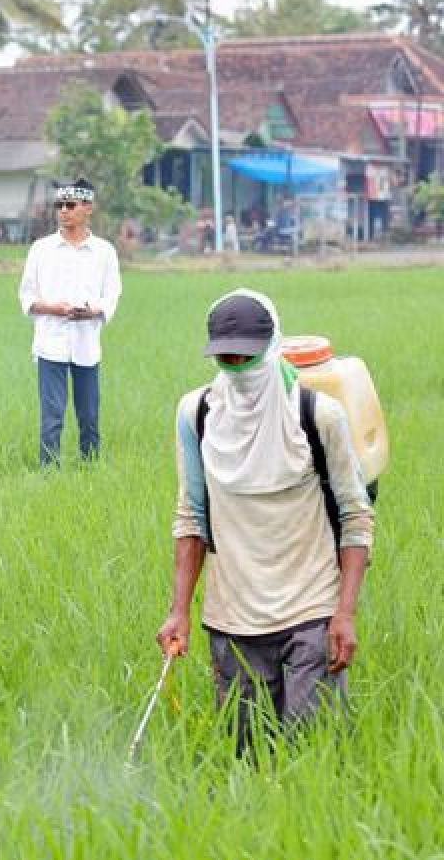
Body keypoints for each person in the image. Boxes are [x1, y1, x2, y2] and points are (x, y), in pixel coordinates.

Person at [156, 289, 373, 753]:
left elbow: (355, 516)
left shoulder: (318, 416)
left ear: (272, 346)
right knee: (247, 754)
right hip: (232, 616)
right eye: (226, 357)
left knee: (313, 751)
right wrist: (179, 611)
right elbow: (191, 515)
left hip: (311, 610)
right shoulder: (196, 415)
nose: (237, 366)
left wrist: (346, 613)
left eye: (247, 355)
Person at [18, 178, 122, 466]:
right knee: (52, 415)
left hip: (87, 343)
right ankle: (49, 472)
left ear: (88, 208)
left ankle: (90, 467)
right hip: (51, 343)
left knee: (89, 415)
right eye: (59, 206)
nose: (63, 211)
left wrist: (94, 310)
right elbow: (26, 296)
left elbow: (112, 294)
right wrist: (52, 308)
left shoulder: (104, 252)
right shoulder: (41, 249)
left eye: (70, 205)